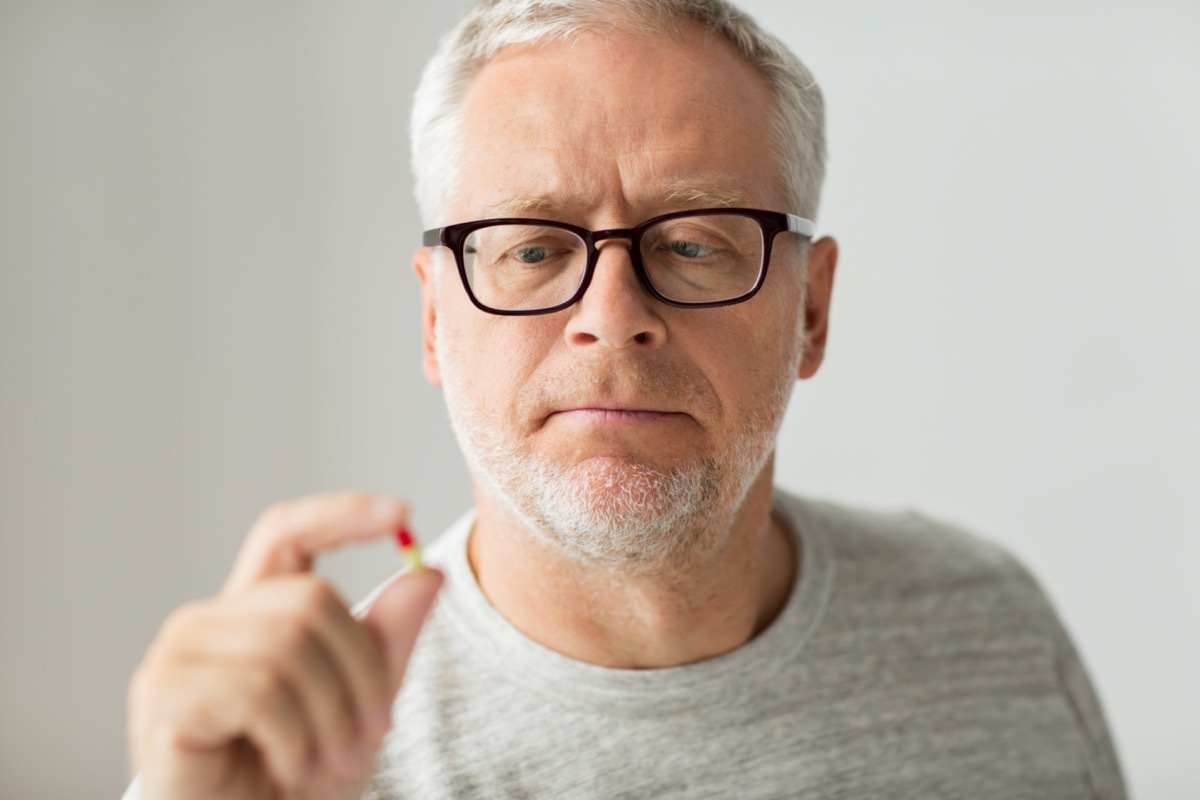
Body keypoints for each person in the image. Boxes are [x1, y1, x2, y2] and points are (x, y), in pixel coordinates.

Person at [123, 1, 1127, 798]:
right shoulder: (281, 759)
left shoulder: (990, 627)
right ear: (435, 322)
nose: (613, 315)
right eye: (531, 247)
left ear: (811, 310)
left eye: (693, 242)